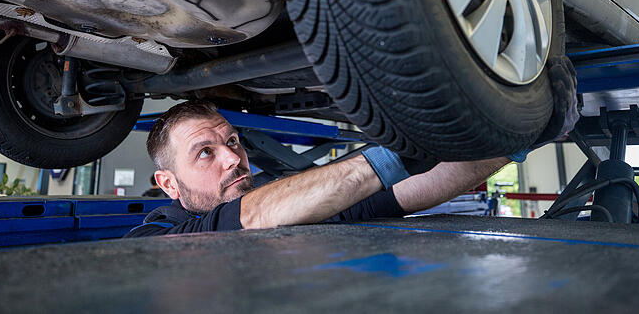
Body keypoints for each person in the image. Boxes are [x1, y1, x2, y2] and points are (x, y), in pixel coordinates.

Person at [125, 57, 578, 237]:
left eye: (232, 141)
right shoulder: (154, 238)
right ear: (167, 183)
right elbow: (246, 221)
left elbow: (406, 190)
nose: (232, 157)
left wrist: (519, 139)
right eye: (205, 152)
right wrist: (393, 154)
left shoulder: (276, 198)